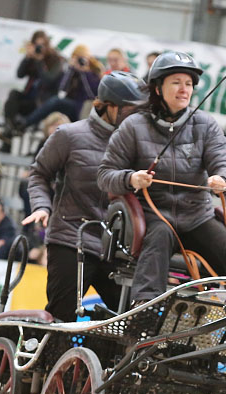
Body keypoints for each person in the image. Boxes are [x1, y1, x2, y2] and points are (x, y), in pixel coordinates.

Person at [98, 51, 226, 306]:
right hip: (154, 216)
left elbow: (223, 163)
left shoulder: (206, 124)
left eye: (188, 84)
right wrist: (131, 179)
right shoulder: (133, 125)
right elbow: (105, 175)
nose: (184, 90)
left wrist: (221, 178)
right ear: (158, 89)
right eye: (176, 83)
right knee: (159, 236)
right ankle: (145, 309)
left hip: (198, 217)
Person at [24, 71, 145, 320]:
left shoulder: (136, 145)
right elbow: (38, 174)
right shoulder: (68, 135)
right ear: (110, 107)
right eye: (132, 110)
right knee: (62, 317)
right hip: (71, 239)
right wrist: (41, 206)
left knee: (130, 319)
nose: (137, 117)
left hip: (115, 247)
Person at [19, 45, 101, 129]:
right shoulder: (73, 71)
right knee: (52, 104)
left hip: (83, 108)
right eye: (77, 58)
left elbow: (91, 94)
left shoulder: (93, 73)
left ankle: (27, 122)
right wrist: (71, 69)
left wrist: (84, 72)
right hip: (72, 106)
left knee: (56, 101)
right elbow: (62, 88)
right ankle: (35, 125)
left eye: (82, 58)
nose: (80, 61)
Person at [2, 30, 63, 133]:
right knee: (13, 95)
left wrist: (39, 61)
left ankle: (12, 132)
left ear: (47, 45)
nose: (40, 48)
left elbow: (48, 80)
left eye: (42, 45)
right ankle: (10, 128)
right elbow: (19, 75)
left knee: (20, 109)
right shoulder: (31, 58)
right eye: (37, 45)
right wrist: (27, 58)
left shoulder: (55, 59)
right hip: (28, 98)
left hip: (42, 103)